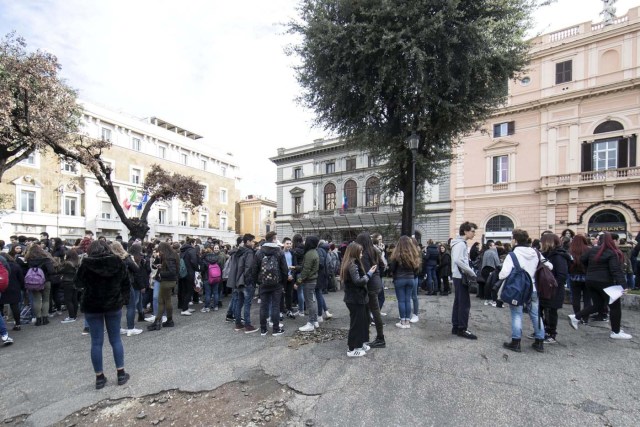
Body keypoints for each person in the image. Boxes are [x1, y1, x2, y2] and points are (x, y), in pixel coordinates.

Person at [76, 240, 130, 389]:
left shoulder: (86, 264)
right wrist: (123, 299)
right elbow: (126, 282)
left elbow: (78, 283)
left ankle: (99, 377)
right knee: (116, 339)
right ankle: (120, 373)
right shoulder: (117, 262)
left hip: (92, 305)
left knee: (96, 342)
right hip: (113, 304)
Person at [568, 232, 631, 339]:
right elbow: (616, 270)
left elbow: (583, 259)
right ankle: (616, 332)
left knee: (598, 305)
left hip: (590, 280)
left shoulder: (592, 250)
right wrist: (623, 286)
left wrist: (590, 270)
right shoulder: (612, 252)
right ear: (612, 241)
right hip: (606, 282)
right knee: (615, 307)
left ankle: (577, 316)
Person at [500, 229, 551, 353]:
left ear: (515, 240)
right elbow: (550, 266)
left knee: (516, 314)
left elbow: (503, 274)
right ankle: (539, 341)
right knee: (535, 314)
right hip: (533, 287)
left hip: (517, 289)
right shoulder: (536, 252)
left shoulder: (512, 255)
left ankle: (516, 342)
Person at [342, 242, 376, 357]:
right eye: (360, 252)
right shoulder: (352, 264)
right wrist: (369, 274)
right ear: (355, 252)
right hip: (355, 299)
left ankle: (360, 344)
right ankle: (352, 349)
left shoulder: (352, 263)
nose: (361, 254)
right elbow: (358, 281)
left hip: (359, 298)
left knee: (363, 322)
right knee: (356, 324)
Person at [252, 231, 287, 336]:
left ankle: (263, 329)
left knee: (263, 306)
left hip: (263, 283)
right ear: (273, 239)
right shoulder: (279, 252)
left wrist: (258, 282)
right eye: (276, 238)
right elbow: (284, 269)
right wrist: (283, 283)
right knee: (275, 306)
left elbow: (254, 269)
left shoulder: (259, 252)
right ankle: (276, 329)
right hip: (277, 284)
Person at [537, 233, 570, 344]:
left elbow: (562, 275)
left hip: (553, 289)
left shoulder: (558, 256)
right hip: (544, 288)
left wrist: (552, 284)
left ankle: (551, 333)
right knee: (540, 310)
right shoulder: (546, 254)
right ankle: (541, 331)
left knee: (550, 312)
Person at [355, 232, 386, 347]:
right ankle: (368, 336)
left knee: (374, 311)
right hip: (376, 282)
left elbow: (366, 272)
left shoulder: (366, 253)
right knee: (371, 311)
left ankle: (380, 338)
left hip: (371, 285)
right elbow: (382, 265)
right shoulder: (373, 250)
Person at [450, 222, 478, 339]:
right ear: (465, 231)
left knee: (459, 302)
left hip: (458, 276)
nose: (474, 234)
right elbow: (458, 260)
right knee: (464, 303)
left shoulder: (459, 243)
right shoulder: (460, 244)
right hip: (461, 276)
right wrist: (471, 272)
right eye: (472, 231)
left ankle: (457, 327)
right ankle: (462, 328)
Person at [110, 242, 143, 337]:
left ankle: (118, 328)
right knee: (131, 307)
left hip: (114, 285)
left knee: (117, 308)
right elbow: (136, 269)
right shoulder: (126, 257)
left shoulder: (110, 258)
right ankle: (130, 328)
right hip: (126, 284)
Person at [390, 236, 422, 329]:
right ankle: (407, 321)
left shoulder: (396, 254)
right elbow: (416, 268)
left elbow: (392, 268)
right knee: (408, 300)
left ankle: (402, 321)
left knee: (401, 300)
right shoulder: (414, 254)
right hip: (411, 279)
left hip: (400, 279)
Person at [147, 242, 179, 331]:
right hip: (170, 281)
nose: (159, 252)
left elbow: (172, 271)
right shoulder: (172, 255)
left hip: (166, 282)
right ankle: (168, 320)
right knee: (166, 300)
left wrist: (161, 273)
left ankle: (158, 322)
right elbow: (172, 270)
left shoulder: (168, 258)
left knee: (162, 302)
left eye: (160, 250)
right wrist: (160, 264)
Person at [230, 234, 258, 334]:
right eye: (252, 241)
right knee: (247, 303)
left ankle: (238, 324)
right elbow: (249, 268)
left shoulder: (239, 251)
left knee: (239, 302)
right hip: (246, 282)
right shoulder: (249, 252)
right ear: (248, 242)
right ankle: (248, 325)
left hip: (238, 281)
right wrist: (249, 280)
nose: (254, 243)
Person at [24, 244, 56, 326]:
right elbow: (51, 271)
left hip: (33, 282)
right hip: (45, 281)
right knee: (46, 299)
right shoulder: (46, 259)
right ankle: (45, 318)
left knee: (36, 300)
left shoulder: (28, 260)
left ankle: (38, 319)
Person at [297, 235, 320, 332]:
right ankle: (314, 321)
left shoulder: (309, 254)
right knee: (313, 301)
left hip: (309, 281)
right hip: (313, 280)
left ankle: (311, 322)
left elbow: (306, 270)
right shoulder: (314, 252)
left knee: (310, 302)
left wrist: (298, 281)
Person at [568, 234, 591, 324]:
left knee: (576, 298)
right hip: (587, 277)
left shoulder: (571, 251)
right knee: (587, 298)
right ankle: (585, 318)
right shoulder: (589, 250)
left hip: (574, 277)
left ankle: (577, 316)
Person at [0, 253, 22, 331]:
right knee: (15, 306)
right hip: (14, 288)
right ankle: (18, 324)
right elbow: (21, 278)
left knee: (1, 308)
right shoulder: (15, 266)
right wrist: (22, 287)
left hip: (2, 287)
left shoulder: (1, 266)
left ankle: (2, 325)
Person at [200, 244, 225, 312]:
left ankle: (207, 307)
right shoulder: (216, 258)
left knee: (208, 293)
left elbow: (202, 270)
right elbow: (220, 267)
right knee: (216, 292)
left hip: (207, 278)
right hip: (216, 278)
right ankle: (215, 306)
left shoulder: (205, 260)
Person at [178, 237, 199, 316]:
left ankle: (185, 307)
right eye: (194, 243)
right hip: (190, 273)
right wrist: (197, 269)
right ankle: (184, 309)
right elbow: (194, 261)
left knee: (184, 290)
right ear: (192, 243)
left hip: (182, 273)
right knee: (189, 291)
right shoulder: (191, 250)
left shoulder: (182, 250)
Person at [59, 250, 80, 323]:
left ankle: (71, 316)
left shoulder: (67, 263)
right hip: (75, 282)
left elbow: (59, 270)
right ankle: (74, 315)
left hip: (67, 282)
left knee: (68, 300)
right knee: (74, 300)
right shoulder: (77, 263)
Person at [480, 240, 501, 305]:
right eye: (493, 245)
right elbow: (497, 263)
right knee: (493, 285)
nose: (495, 246)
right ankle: (493, 300)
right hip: (492, 269)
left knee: (487, 285)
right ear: (490, 246)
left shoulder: (485, 252)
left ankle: (487, 299)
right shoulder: (493, 252)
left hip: (484, 269)